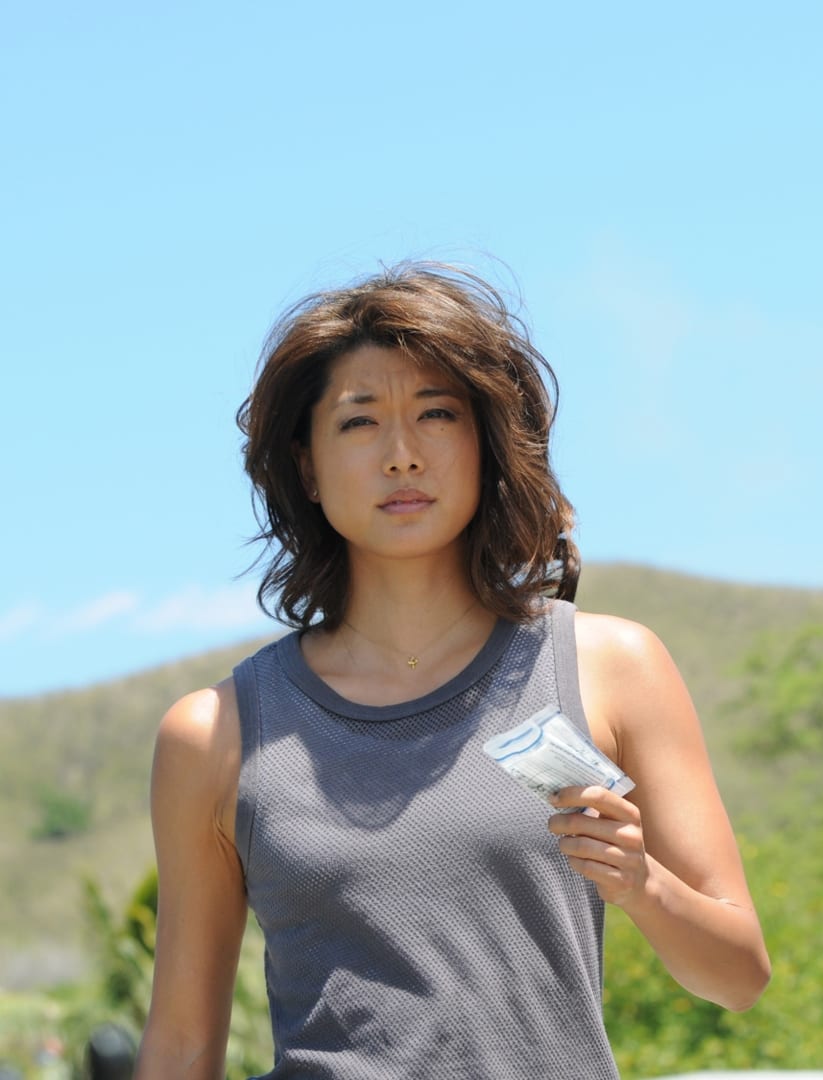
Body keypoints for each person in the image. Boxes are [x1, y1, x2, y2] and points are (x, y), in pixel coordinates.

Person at [136, 264, 770, 1079]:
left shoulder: (613, 667)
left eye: (436, 414)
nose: (402, 456)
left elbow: (739, 977)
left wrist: (642, 883)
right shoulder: (213, 736)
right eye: (359, 422)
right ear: (307, 467)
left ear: (486, 444)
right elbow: (182, 1045)